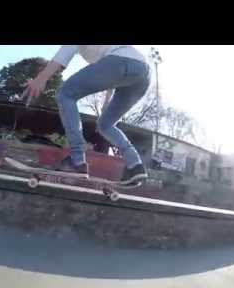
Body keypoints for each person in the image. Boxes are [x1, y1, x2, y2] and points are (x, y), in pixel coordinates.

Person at [23, 45, 151, 184]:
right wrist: (107, 102)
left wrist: (41, 79)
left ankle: (76, 160)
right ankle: (136, 166)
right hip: (142, 73)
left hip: (120, 63)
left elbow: (62, 56)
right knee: (105, 125)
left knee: (65, 93)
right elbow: (113, 75)